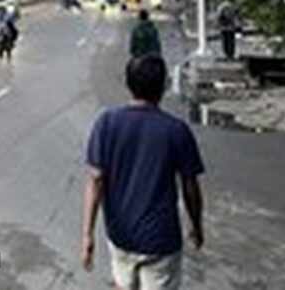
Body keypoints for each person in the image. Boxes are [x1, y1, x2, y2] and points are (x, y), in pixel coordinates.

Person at [81, 55, 205, 290]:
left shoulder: (106, 123)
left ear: (128, 83)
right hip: (161, 240)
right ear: (163, 86)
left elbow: (96, 180)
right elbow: (190, 187)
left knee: (122, 283)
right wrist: (196, 226)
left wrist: (87, 234)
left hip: (121, 236)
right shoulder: (176, 131)